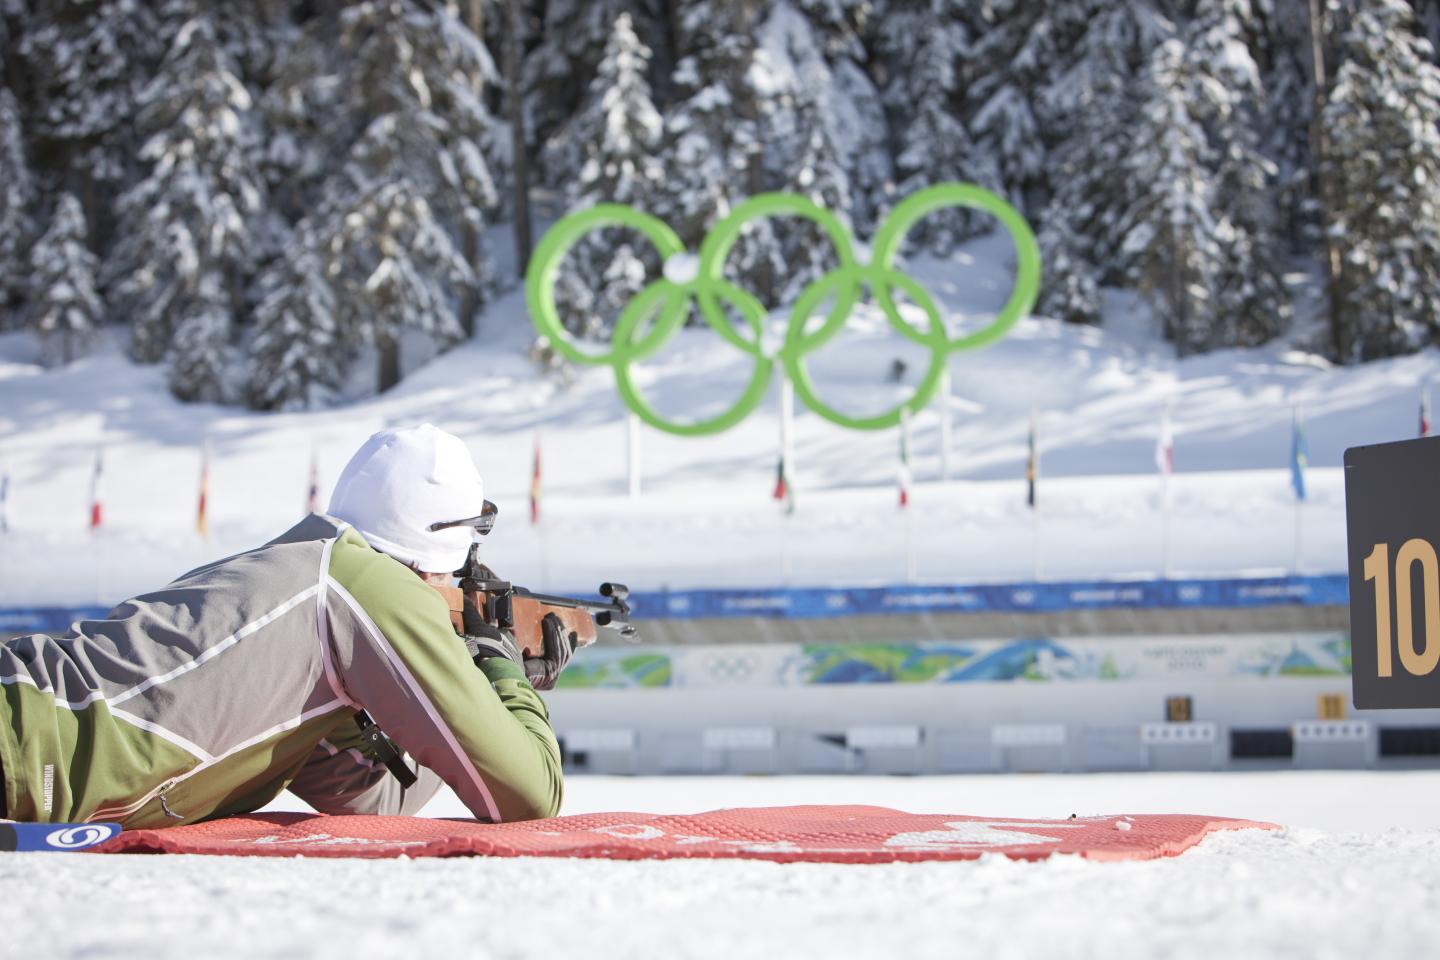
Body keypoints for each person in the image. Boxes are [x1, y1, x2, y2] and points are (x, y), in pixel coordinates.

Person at [0, 424, 574, 827]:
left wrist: (475, 688)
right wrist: (501, 670)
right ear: (443, 554)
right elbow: (530, 796)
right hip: (23, 739)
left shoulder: (308, 577)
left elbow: (371, 800)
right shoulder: (371, 587)